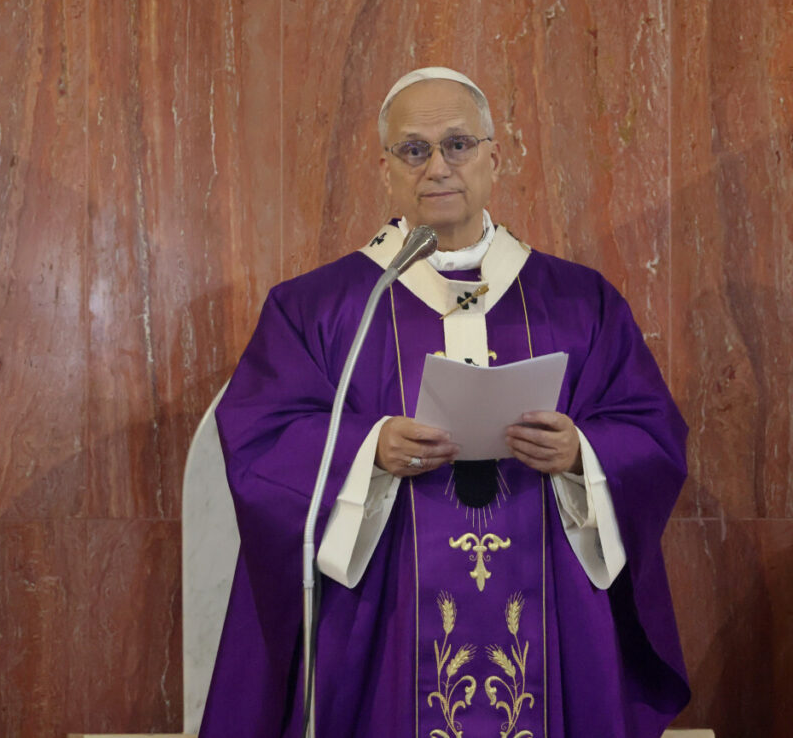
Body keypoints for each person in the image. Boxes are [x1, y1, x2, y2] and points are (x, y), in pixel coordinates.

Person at [200, 67, 689, 738]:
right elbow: (261, 436)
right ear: (385, 168)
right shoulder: (320, 307)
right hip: (384, 618)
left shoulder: (581, 302)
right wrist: (369, 450)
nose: (437, 167)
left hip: (550, 601)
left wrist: (582, 452)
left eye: (458, 144)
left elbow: (651, 429)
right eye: (414, 149)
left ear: (495, 156)